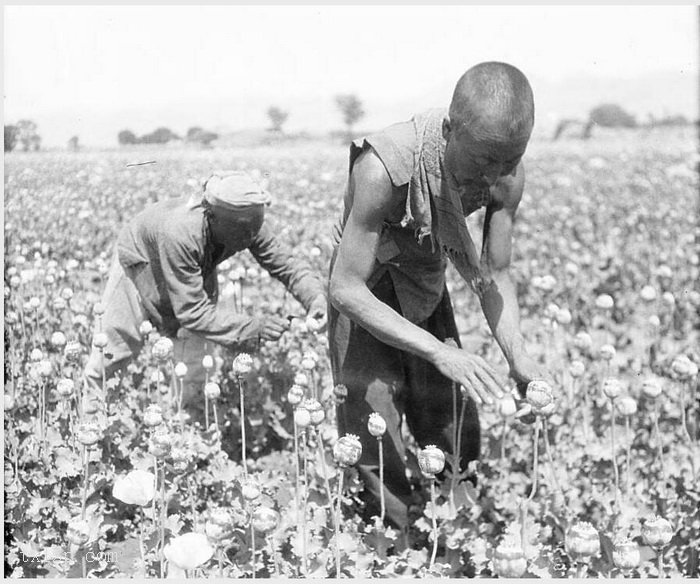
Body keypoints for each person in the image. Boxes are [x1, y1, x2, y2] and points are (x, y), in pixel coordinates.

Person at [328, 62, 549, 534]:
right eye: (480, 164)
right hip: (368, 287)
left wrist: (519, 356)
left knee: (451, 421)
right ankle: (393, 546)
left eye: (506, 164)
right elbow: (345, 287)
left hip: (425, 277)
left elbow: (495, 271)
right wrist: (436, 350)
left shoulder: (506, 173)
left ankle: (454, 532)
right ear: (449, 132)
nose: (490, 179)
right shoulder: (383, 168)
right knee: (373, 428)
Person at [84, 170, 327, 415]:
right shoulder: (182, 232)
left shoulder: (248, 222)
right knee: (111, 353)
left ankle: (187, 428)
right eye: (243, 229)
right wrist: (253, 328)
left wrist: (315, 297)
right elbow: (192, 313)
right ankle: (95, 429)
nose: (250, 236)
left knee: (195, 366)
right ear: (212, 217)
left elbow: (286, 264)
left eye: (256, 226)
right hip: (141, 263)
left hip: (193, 266)